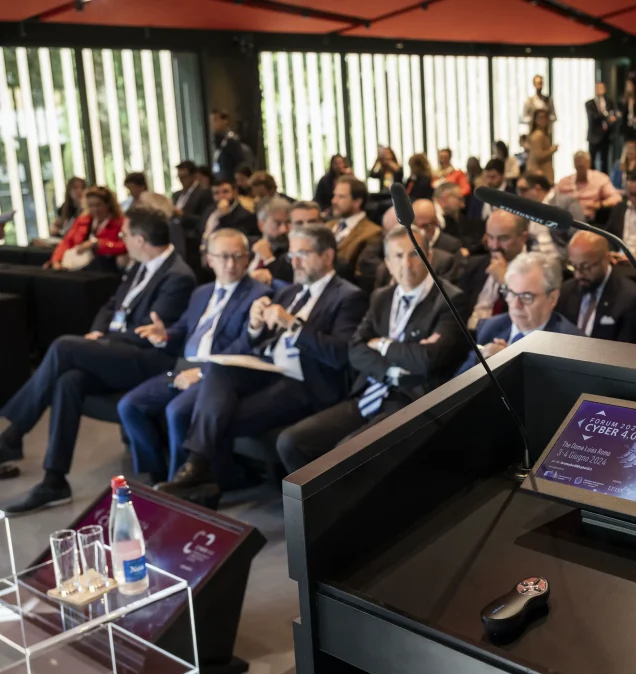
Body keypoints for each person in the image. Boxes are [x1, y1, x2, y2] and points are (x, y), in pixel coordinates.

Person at [155, 225, 369, 503]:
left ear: (327, 256)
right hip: (268, 370)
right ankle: (201, 475)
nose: (294, 262)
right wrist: (255, 325)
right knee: (218, 370)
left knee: (219, 415)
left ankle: (202, 478)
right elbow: (259, 341)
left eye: (303, 254)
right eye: (292, 255)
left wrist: (293, 325)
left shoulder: (348, 296)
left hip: (306, 381)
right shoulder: (290, 293)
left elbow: (340, 355)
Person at [0, 207, 196, 510]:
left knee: (64, 347)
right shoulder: (141, 266)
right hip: (118, 351)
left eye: (125, 235)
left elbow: (148, 334)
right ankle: (54, 480)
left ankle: (12, 436)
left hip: (148, 359)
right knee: (69, 381)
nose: (122, 240)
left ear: (140, 240)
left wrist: (103, 341)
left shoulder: (177, 277)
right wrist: (97, 332)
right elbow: (111, 305)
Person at [276, 225, 471, 472]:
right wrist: (393, 368)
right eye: (398, 256)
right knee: (291, 442)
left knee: (343, 457)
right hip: (371, 391)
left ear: (429, 257)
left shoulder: (449, 300)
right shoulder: (382, 297)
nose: (406, 263)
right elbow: (355, 350)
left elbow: (428, 359)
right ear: (388, 263)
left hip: (411, 400)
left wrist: (381, 344)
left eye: (415, 254)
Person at [117, 229, 269, 482]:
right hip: (182, 366)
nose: (230, 264)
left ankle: (181, 484)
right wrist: (165, 335)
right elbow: (184, 328)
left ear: (247, 259)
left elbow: (245, 345)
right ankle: (156, 474)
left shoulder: (258, 295)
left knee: (177, 411)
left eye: (237, 256)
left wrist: (201, 372)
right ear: (209, 259)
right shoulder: (201, 293)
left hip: (218, 375)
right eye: (223, 257)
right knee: (130, 406)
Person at [457, 252, 580, 374]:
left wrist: (509, 364)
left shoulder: (571, 344)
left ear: (552, 298)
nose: (516, 305)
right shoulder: (491, 327)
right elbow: (458, 382)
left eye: (526, 296)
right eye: (511, 293)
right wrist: (482, 361)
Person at [555, 230, 636, 343]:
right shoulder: (566, 290)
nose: (578, 275)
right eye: (574, 266)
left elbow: (626, 349)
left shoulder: (632, 299)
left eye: (586, 266)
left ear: (606, 259)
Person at [462, 210, 532, 330]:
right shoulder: (475, 265)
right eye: (490, 237)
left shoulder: (535, 272)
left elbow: (527, 317)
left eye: (503, 238)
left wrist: (505, 282)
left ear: (523, 238)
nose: (494, 246)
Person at [49, 186, 126, 273]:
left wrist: (97, 243)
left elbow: (123, 246)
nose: (95, 209)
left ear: (108, 204)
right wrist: (56, 261)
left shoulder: (120, 223)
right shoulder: (82, 221)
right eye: (91, 206)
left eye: (98, 205)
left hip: (104, 267)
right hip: (77, 266)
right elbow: (67, 242)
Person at [329, 177, 383, 293]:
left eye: (341, 197)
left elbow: (360, 273)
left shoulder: (372, 232)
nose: (334, 201)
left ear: (357, 202)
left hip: (347, 290)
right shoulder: (327, 226)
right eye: (334, 195)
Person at [516, 173, 583, 261]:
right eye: (518, 190)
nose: (519, 194)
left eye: (523, 190)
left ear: (537, 188)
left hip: (558, 257)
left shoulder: (566, 203)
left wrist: (565, 258)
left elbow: (576, 235)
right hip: (532, 259)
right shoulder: (525, 209)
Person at [557, 150, 621, 222]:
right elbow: (551, 198)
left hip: (588, 220)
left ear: (588, 164)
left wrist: (600, 204)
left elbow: (616, 198)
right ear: (574, 165)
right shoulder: (565, 182)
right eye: (578, 167)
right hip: (566, 218)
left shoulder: (600, 179)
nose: (580, 170)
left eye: (582, 167)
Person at [249, 197, 293, 285]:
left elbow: (290, 281)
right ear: (261, 225)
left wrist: (269, 259)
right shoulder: (247, 245)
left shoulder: (292, 253)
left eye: (287, 223)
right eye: (277, 223)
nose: (284, 229)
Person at [200, 176, 259, 241]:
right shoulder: (209, 210)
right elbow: (199, 231)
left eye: (225, 192)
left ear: (235, 192)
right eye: (216, 193)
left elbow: (234, 239)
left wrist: (223, 215)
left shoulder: (245, 215)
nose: (221, 196)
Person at [172, 161, 214, 237]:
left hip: (192, 234)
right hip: (176, 233)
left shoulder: (203, 193)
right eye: (179, 177)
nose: (181, 180)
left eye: (184, 177)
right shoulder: (176, 195)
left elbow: (204, 219)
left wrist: (183, 215)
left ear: (194, 176)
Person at [586, 82, 618, 174]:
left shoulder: (609, 102)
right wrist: (606, 116)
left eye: (601, 88)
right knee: (592, 160)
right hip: (594, 136)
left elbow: (614, 113)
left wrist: (612, 118)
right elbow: (593, 117)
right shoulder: (589, 103)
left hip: (606, 135)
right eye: (597, 88)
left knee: (605, 160)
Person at [209, 110, 245, 179]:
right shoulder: (214, 141)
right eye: (211, 121)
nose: (213, 124)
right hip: (218, 177)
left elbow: (239, 163)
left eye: (215, 120)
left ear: (224, 121)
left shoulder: (232, 141)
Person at [527, 110, 558, 184]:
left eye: (545, 118)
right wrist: (552, 150)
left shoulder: (543, 134)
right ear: (535, 120)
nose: (543, 120)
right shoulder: (538, 135)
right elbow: (538, 155)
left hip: (543, 175)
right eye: (540, 118)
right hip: (540, 175)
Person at [619, 77, 636, 144]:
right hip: (627, 128)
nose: (629, 88)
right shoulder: (623, 101)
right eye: (627, 85)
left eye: (630, 85)